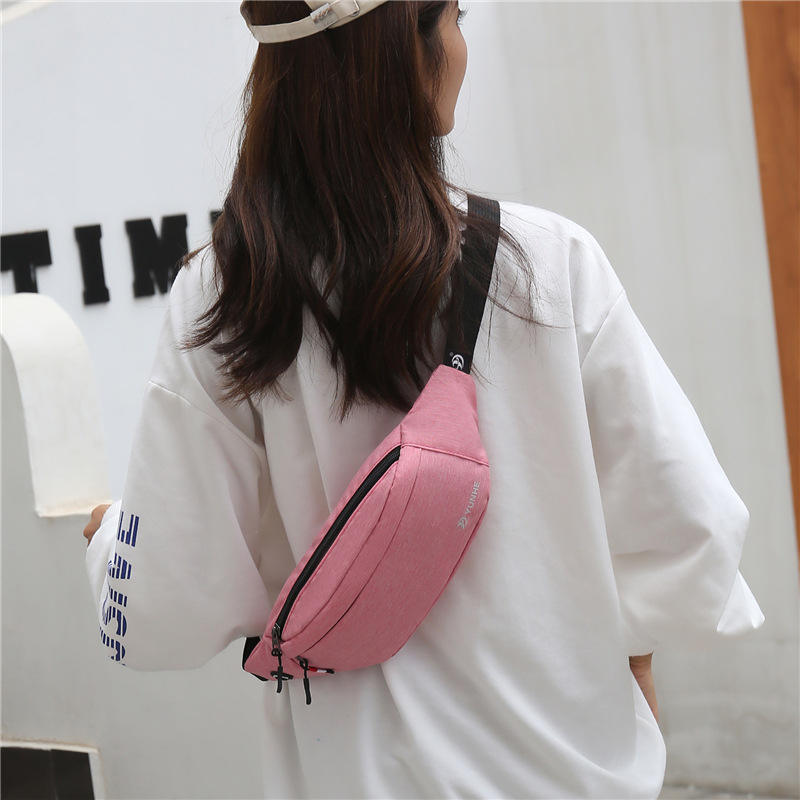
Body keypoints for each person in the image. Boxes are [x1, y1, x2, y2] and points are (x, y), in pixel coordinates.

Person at [82, 1, 766, 797]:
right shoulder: (547, 266)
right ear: (402, 48)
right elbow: (687, 529)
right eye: (455, 18)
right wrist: (632, 655)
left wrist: (110, 541)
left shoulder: (227, 298)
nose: (461, 48)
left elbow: (162, 607)